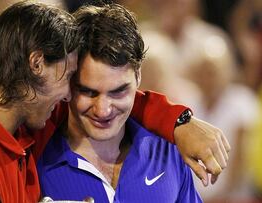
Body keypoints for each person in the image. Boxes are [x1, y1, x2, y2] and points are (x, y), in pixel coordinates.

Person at [0, 1, 228, 203]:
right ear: (37, 65)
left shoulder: (26, 132)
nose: (102, 109)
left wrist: (178, 122)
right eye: (78, 85)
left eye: (118, 91)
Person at [37, 3, 202, 202]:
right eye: (88, 92)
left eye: (118, 92)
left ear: (138, 76)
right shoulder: (34, 160)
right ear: (68, 82)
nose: (103, 110)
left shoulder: (167, 153)